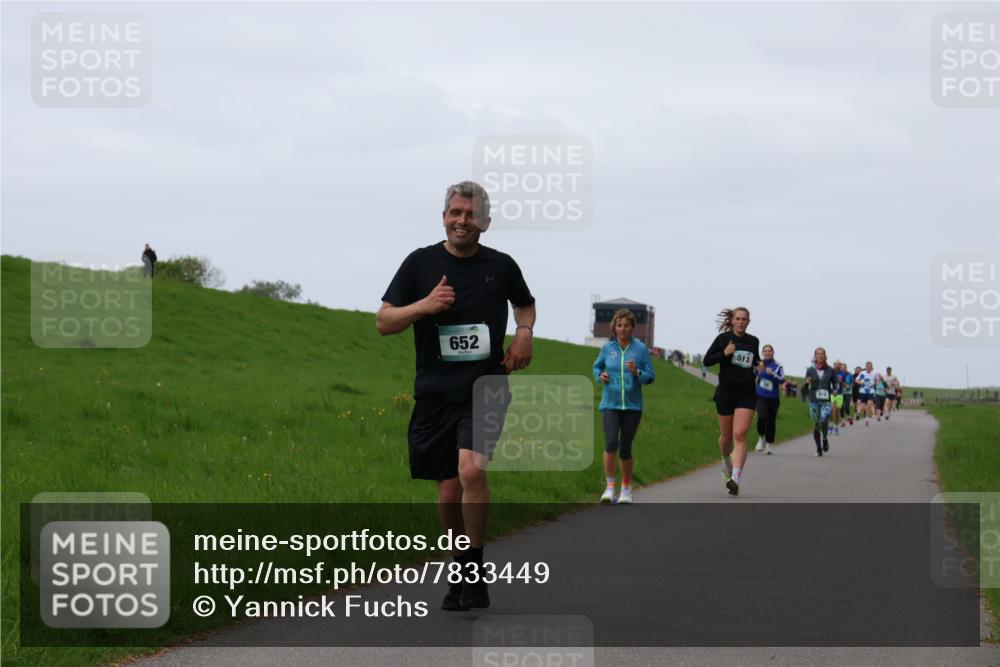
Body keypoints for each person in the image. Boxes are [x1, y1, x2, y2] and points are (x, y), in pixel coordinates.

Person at [376, 181, 536, 611]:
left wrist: (524, 333)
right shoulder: (420, 263)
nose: (462, 220)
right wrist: (424, 306)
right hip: (435, 394)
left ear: (485, 221)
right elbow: (384, 322)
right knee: (448, 494)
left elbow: (524, 304)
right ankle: (462, 568)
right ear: (444, 217)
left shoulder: (501, 266)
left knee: (471, 471)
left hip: (486, 386)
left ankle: (475, 570)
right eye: (455, 213)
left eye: (471, 214)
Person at [593, 309, 655, 504]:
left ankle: (626, 488)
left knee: (625, 448)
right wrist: (600, 375)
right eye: (619, 325)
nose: (622, 329)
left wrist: (637, 372)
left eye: (626, 325)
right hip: (610, 404)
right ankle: (610, 488)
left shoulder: (640, 349)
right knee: (611, 443)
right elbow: (596, 366)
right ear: (614, 327)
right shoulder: (607, 348)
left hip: (632, 406)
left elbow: (650, 376)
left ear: (632, 328)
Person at [703, 307, 760, 496]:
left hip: (746, 393)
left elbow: (755, 360)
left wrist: (759, 364)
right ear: (732, 320)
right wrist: (724, 353)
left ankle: (735, 479)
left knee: (740, 434)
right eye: (738, 318)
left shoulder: (753, 341)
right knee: (726, 437)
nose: (741, 322)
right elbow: (707, 361)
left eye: (744, 319)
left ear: (748, 322)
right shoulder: (723, 339)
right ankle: (726, 461)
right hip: (726, 392)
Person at [802, 347, 839, 456]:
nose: (820, 355)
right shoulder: (810, 370)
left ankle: (825, 438)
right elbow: (805, 383)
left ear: (825, 356)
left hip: (825, 400)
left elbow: (836, 382)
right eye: (818, 354)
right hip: (813, 400)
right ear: (815, 356)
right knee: (816, 424)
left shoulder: (830, 370)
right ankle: (818, 448)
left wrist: (835, 389)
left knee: (823, 420)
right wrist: (807, 382)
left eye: (822, 353)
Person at [754, 344, 784, 455]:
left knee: (771, 421)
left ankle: (769, 444)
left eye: (769, 351)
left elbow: (782, 379)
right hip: (760, 396)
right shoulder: (759, 364)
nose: (767, 352)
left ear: (773, 352)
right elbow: (753, 376)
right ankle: (761, 437)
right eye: (765, 351)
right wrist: (758, 372)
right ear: (763, 353)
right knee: (761, 416)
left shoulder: (778, 365)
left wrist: (773, 374)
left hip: (773, 398)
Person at [856, 361, 877, 426]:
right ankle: (859, 413)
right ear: (866, 367)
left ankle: (866, 419)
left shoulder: (874, 373)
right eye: (868, 366)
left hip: (870, 391)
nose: (869, 367)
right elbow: (856, 380)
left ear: (872, 367)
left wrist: (874, 384)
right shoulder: (862, 373)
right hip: (863, 391)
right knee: (862, 405)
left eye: (870, 366)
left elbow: (877, 381)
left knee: (869, 404)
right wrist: (861, 383)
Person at [839, 362, 854, 426]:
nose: (843, 369)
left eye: (844, 368)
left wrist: (849, 385)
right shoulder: (838, 374)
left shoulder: (849, 375)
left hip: (848, 392)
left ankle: (849, 417)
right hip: (840, 392)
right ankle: (843, 421)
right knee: (841, 407)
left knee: (846, 407)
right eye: (842, 368)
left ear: (846, 368)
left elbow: (853, 383)